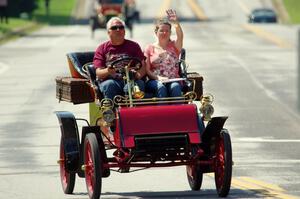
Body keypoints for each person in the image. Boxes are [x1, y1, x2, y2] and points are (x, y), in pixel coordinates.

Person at [93, 17, 146, 100]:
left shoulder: (134, 46)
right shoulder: (102, 48)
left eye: (121, 27)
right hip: (111, 81)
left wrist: (137, 75)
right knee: (109, 85)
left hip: (131, 80)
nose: (118, 30)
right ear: (108, 32)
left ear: (124, 31)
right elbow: (98, 72)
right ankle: (109, 110)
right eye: (114, 28)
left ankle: (137, 111)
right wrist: (108, 70)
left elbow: (142, 66)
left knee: (138, 84)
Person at [144, 9, 183, 98]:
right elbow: (147, 70)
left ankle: (178, 111)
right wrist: (158, 78)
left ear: (170, 33)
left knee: (175, 87)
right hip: (155, 81)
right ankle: (161, 110)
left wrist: (176, 23)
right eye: (161, 30)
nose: (164, 33)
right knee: (160, 87)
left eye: (167, 31)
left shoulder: (175, 46)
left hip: (174, 80)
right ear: (156, 32)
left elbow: (180, 36)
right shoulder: (149, 48)